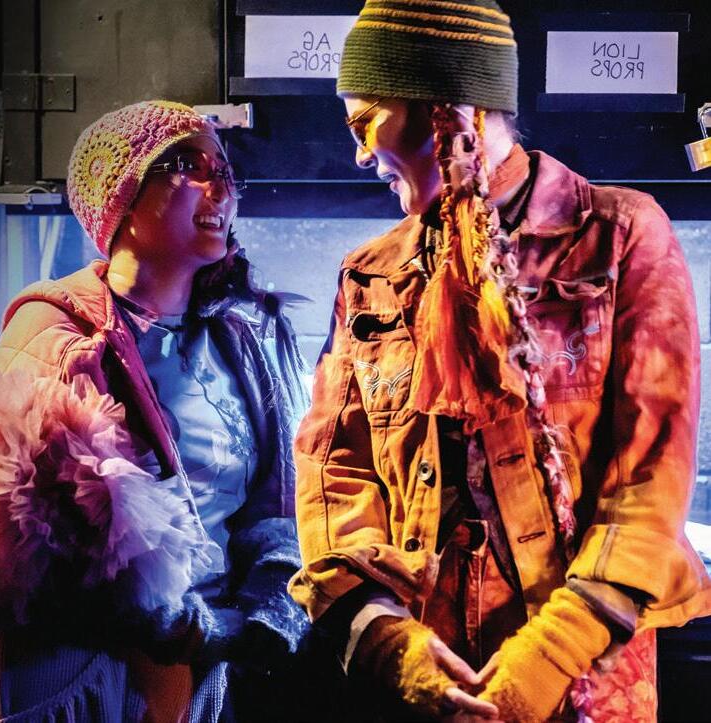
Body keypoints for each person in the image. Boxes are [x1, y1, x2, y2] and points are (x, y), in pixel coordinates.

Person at [290, 2, 711, 720]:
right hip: (426, 681)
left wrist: (550, 654)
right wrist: (384, 637)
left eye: (365, 121)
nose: (360, 153)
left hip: (583, 680)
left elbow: (652, 471)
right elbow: (333, 467)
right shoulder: (370, 273)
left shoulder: (616, 235)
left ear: (443, 108)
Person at [0, 100, 315, 723]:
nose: (219, 187)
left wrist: (265, 609)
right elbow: (35, 547)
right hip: (69, 682)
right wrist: (184, 628)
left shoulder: (244, 339)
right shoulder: (56, 332)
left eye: (225, 170)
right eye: (187, 165)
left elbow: (279, 506)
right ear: (121, 198)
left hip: (193, 681)